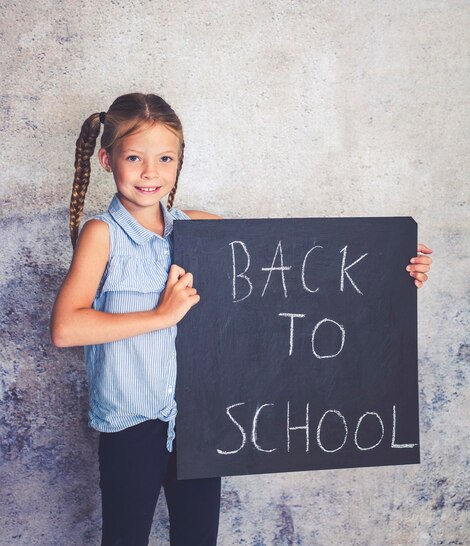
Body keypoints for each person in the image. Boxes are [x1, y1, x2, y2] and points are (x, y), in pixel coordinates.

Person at [49, 92, 433, 546]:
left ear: (179, 161)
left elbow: (293, 264)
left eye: (165, 158)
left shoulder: (201, 228)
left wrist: (392, 267)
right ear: (108, 160)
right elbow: (66, 328)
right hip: (133, 422)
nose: (150, 172)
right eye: (134, 157)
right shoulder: (102, 234)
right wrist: (160, 315)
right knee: (125, 537)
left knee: (198, 538)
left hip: (203, 419)